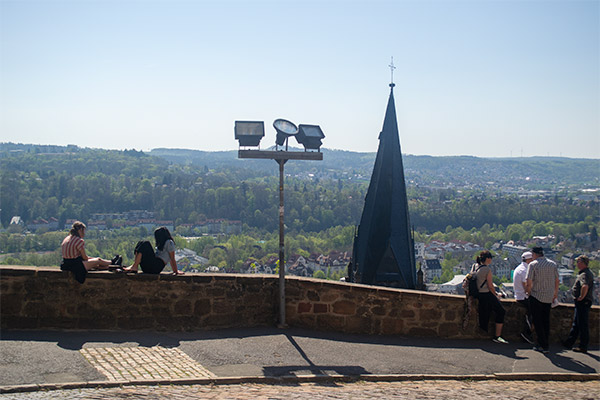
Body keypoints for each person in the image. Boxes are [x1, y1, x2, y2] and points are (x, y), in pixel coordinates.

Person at [525, 246, 559, 353]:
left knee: (537, 321)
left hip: (536, 296)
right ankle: (545, 343)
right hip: (548, 296)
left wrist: (528, 292)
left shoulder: (533, 264)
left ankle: (542, 344)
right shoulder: (552, 264)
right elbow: (557, 280)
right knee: (545, 321)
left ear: (534, 254)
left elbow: (529, 281)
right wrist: (555, 294)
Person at [472, 250, 508, 344]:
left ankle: (489, 332)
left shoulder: (475, 267)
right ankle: (497, 336)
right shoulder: (487, 270)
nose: (491, 260)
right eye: (491, 258)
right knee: (501, 311)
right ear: (487, 259)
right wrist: (496, 295)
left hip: (479, 294)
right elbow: (490, 286)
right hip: (486, 294)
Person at [562, 255, 594, 353]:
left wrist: (581, 297)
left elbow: (585, 286)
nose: (576, 264)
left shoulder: (584, 274)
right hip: (584, 301)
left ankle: (583, 346)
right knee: (577, 323)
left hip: (583, 302)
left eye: (578, 262)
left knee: (582, 324)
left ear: (583, 263)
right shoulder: (587, 273)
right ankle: (569, 342)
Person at [513, 251, 534, 344]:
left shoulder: (520, 268)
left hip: (520, 295)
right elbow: (526, 286)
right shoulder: (525, 270)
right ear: (529, 260)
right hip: (524, 297)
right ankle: (527, 333)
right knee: (533, 314)